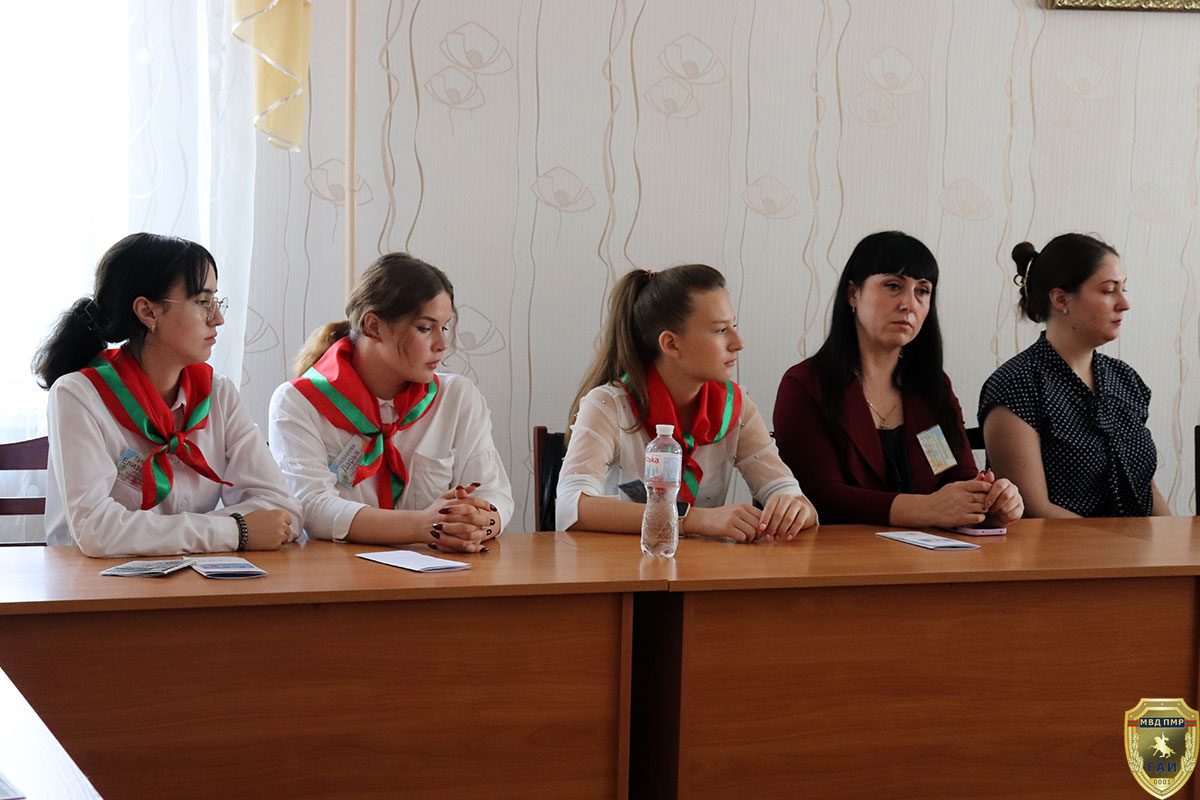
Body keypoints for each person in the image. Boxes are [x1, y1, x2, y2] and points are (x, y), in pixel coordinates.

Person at [33, 233, 301, 557]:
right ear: (148, 312)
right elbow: (96, 529)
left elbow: (283, 509)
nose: (218, 318)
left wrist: (185, 534)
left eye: (216, 301)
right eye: (202, 302)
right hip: (93, 581)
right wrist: (237, 531)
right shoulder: (79, 395)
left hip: (192, 577)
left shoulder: (219, 394)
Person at [774, 231, 1023, 527]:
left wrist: (990, 500)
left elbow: (956, 476)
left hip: (929, 552)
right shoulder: (805, 385)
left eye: (923, 291)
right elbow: (821, 496)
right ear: (853, 294)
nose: (909, 304)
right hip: (841, 551)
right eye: (893, 286)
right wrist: (927, 509)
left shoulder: (930, 386)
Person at [269, 253, 512, 553]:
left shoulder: (457, 397)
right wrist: (423, 525)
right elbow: (313, 507)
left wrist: (478, 523)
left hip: (439, 571)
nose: (442, 344)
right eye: (425, 328)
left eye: (445, 327)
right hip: (340, 571)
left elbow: (495, 493)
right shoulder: (299, 402)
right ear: (373, 327)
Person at [557, 264, 817, 542]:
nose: (738, 343)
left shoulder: (736, 407)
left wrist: (794, 509)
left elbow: (796, 499)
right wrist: (692, 519)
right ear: (671, 344)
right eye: (720, 330)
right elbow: (570, 509)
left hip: (704, 566)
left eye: (734, 326)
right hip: (623, 563)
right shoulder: (608, 405)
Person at [978, 234, 1168, 517]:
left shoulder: (1125, 379)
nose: (1124, 304)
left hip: (1138, 542)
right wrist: (1123, 544)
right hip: (1062, 545)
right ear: (1060, 299)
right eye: (1109, 291)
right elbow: (1033, 511)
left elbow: (1145, 487)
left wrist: (1175, 539)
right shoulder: (1017, 384)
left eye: (1123, 289)